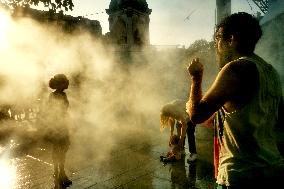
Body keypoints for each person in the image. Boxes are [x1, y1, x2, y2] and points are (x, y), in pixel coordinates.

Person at [186, 12, 284, 188]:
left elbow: (196, 115)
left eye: (217, 38)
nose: (216, 45)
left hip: (241, 175)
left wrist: (196, 78)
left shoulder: (236, 68)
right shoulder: (271, 72)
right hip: (273, 169)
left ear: (231, 39)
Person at [47, 74, 72, 188]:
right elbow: (52, 112)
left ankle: (57, 170)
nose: (68, 83)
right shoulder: (54, 96)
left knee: (61, 148)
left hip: (61, 125)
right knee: (60, 148)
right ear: (60, 84)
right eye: (65, 81)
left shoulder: (62, 94)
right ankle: (60, 172)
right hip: (57, 126)